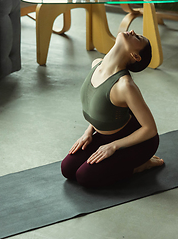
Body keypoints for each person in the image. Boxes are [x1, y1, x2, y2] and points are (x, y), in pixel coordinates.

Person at [61, 30, 164, 188]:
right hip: (104, 136)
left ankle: (142, 165)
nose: (132, 31)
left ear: (135, 56)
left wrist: (113, 146)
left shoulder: (124, 86)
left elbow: (150, 129)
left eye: (138, 37)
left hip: (139, 143)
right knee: (67, 169)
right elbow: (102, 109)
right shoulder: (96, 64)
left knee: (84, 177)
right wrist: (88, 132)